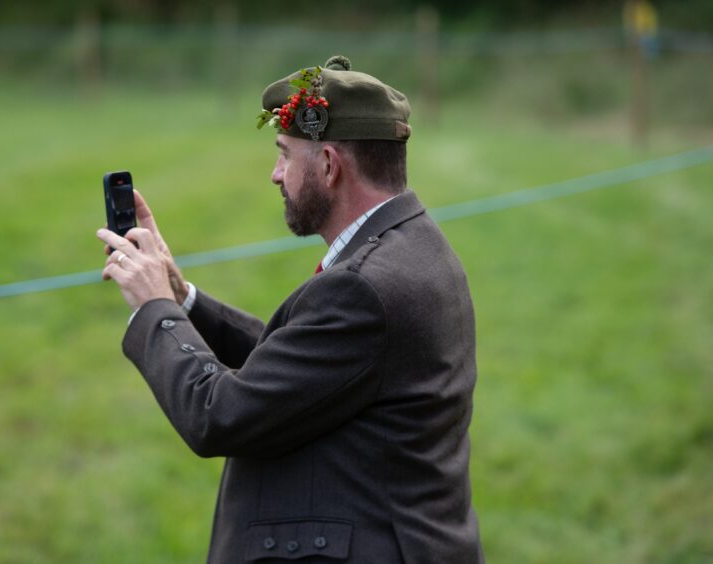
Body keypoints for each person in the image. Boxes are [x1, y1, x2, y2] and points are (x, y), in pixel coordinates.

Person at [96, 55, 483, 563]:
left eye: (284, 155)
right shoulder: (412, 244)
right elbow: (306, 365)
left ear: (328, 165)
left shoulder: (366, 287)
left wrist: (155, 307)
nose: (275, 175)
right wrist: (181, 294)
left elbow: (219, 415)